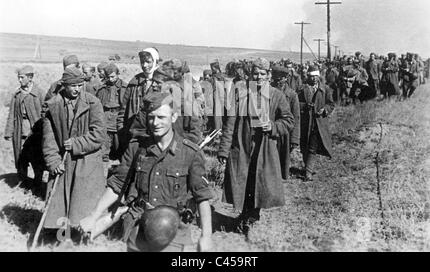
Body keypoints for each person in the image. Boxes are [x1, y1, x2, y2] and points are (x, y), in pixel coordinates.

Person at [79, 91, 213, 252]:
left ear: (174, 117)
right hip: (139, 228)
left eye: (161, 117)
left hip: (174, 233)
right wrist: (94, 215)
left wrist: (206, 236)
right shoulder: (137, 148)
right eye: (151, 117)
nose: (155, 123)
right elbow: (117, 185)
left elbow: (202, 197)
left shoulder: (190, 153)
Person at [217, 58, 295, 227]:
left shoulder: (276, 95)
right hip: (242, 147)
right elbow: (230, 122)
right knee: (242, 182)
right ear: (250, 75)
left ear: (269, 75)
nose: (258, 77)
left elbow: (289, 121)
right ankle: (244, 216)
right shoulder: (242, 93)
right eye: (255, 74)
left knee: (258, 183)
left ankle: (252, 218)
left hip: (264, 149)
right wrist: (223, 150)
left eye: (262, 74)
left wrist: (273, 126)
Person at [41, 66, 107, 235]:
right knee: (60, 204)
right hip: (63, 162)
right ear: (65, 85)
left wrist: (77, 144)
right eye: (73, 86)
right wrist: (53, 161)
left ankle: (85, 235)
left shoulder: (93, 103)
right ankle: (59, 235)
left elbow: (98, 134)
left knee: (83, 202)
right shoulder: (53, 106)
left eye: (80, 85)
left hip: (88, 160)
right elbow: (49, 139)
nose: (77, 89)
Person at [4, 65, 45, 188]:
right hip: (20, 132)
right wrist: (8, 131)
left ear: (30, 77)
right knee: (21, 158)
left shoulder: (39, 93)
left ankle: (37, 184)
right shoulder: (16, 94)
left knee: (37, 159)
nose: (20, 80)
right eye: (19, 77)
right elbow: (12, 113)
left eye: (22, 77)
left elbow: (45, 113)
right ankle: (23, 183)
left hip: (35, 133)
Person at [117, 48, 160, 150]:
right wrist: (121, 128)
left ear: (156, 62)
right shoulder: (135, 82)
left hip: (155, 135)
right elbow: (124, 109)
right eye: (142, 62)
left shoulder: (164, 83)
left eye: (148, 62)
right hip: (134, 134)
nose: (144, 65)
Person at [297, 65, 334, 181]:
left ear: (319, 76)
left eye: (315, 76)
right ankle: (308, 167)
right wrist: (304, 106)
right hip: (305, 122)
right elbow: (295, 104)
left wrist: (325, 110)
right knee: (304, 146)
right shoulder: (302, 89)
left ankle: (308, 173)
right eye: (311, 76)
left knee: (312, 147)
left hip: (318, 122)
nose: (313, 79)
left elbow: (331, 104)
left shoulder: (325, 89)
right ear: (307, 76)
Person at [96, 63, 128, 161]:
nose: (110, 79)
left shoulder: (125, 87)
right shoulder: (102, 88)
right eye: (108, 77)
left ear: (118, 74)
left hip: (119, 116)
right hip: (106, 116)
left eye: (113, 76)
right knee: (104, 143)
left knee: (120, 144)